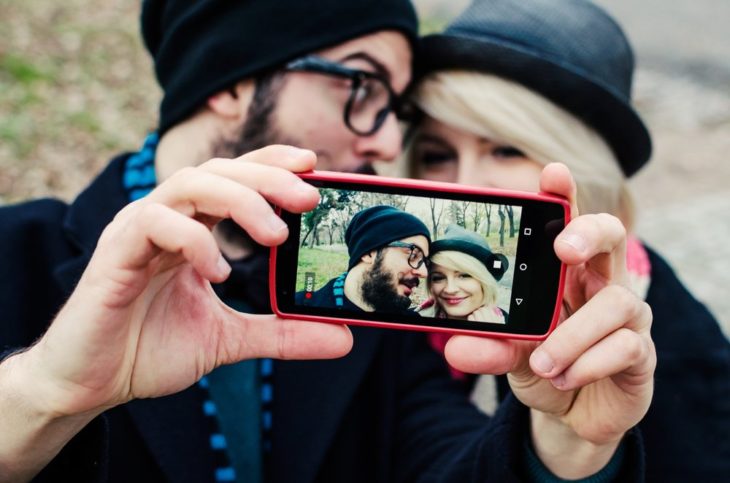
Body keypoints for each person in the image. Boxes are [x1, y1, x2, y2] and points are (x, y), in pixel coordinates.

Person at [0, 0, 656, 481]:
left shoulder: (367, 312)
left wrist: (563, 449)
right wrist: (42, 394)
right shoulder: (15, 252)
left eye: (393, 108)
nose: (387, 142)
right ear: (231, 81)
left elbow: (445, 459)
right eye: (361, 85)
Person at [403, 0, 730, 480]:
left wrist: (572, 452)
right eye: (436, 154)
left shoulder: (680, 363)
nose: (464, 183)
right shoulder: (400, 311)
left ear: (583, 168)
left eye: (506, 149)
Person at [296, 205, 431, 313]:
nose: (424, 273)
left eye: (424, 261)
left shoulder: (412, 333)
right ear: (369, 253)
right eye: (413, 255)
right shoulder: (298, 312)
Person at [418, 224, 508, 323]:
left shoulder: (510, 328)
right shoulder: (414, 323)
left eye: (464, 276)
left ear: (485, 280)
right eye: (438, 278)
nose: (450, 289)